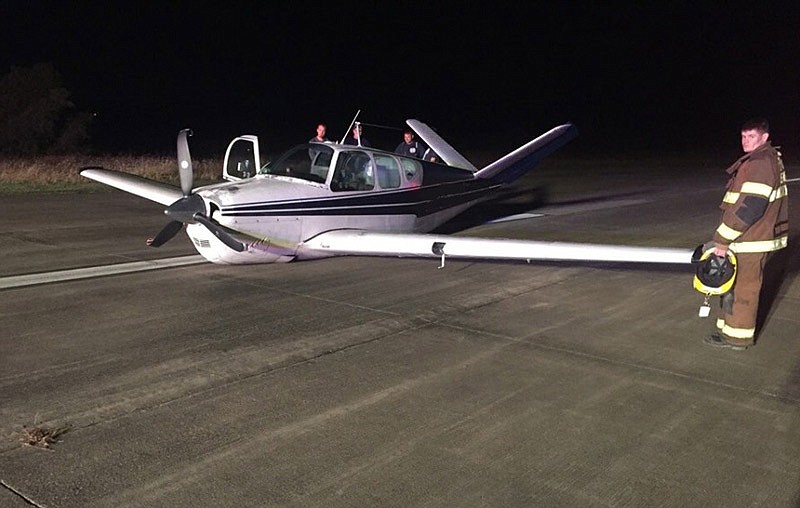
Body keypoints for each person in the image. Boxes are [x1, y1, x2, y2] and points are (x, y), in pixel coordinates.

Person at [703, 118, 789, 350]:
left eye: (751, 136)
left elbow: (749, 208)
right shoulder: (763, 159)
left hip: (749, 240)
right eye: (743, 136)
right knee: (732, 287)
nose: (746, 141)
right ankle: (727, 330)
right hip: (746, 239)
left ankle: (737, 338)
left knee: (744, 290)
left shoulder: (760, 163)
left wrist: (722, 239)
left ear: (764, 138)